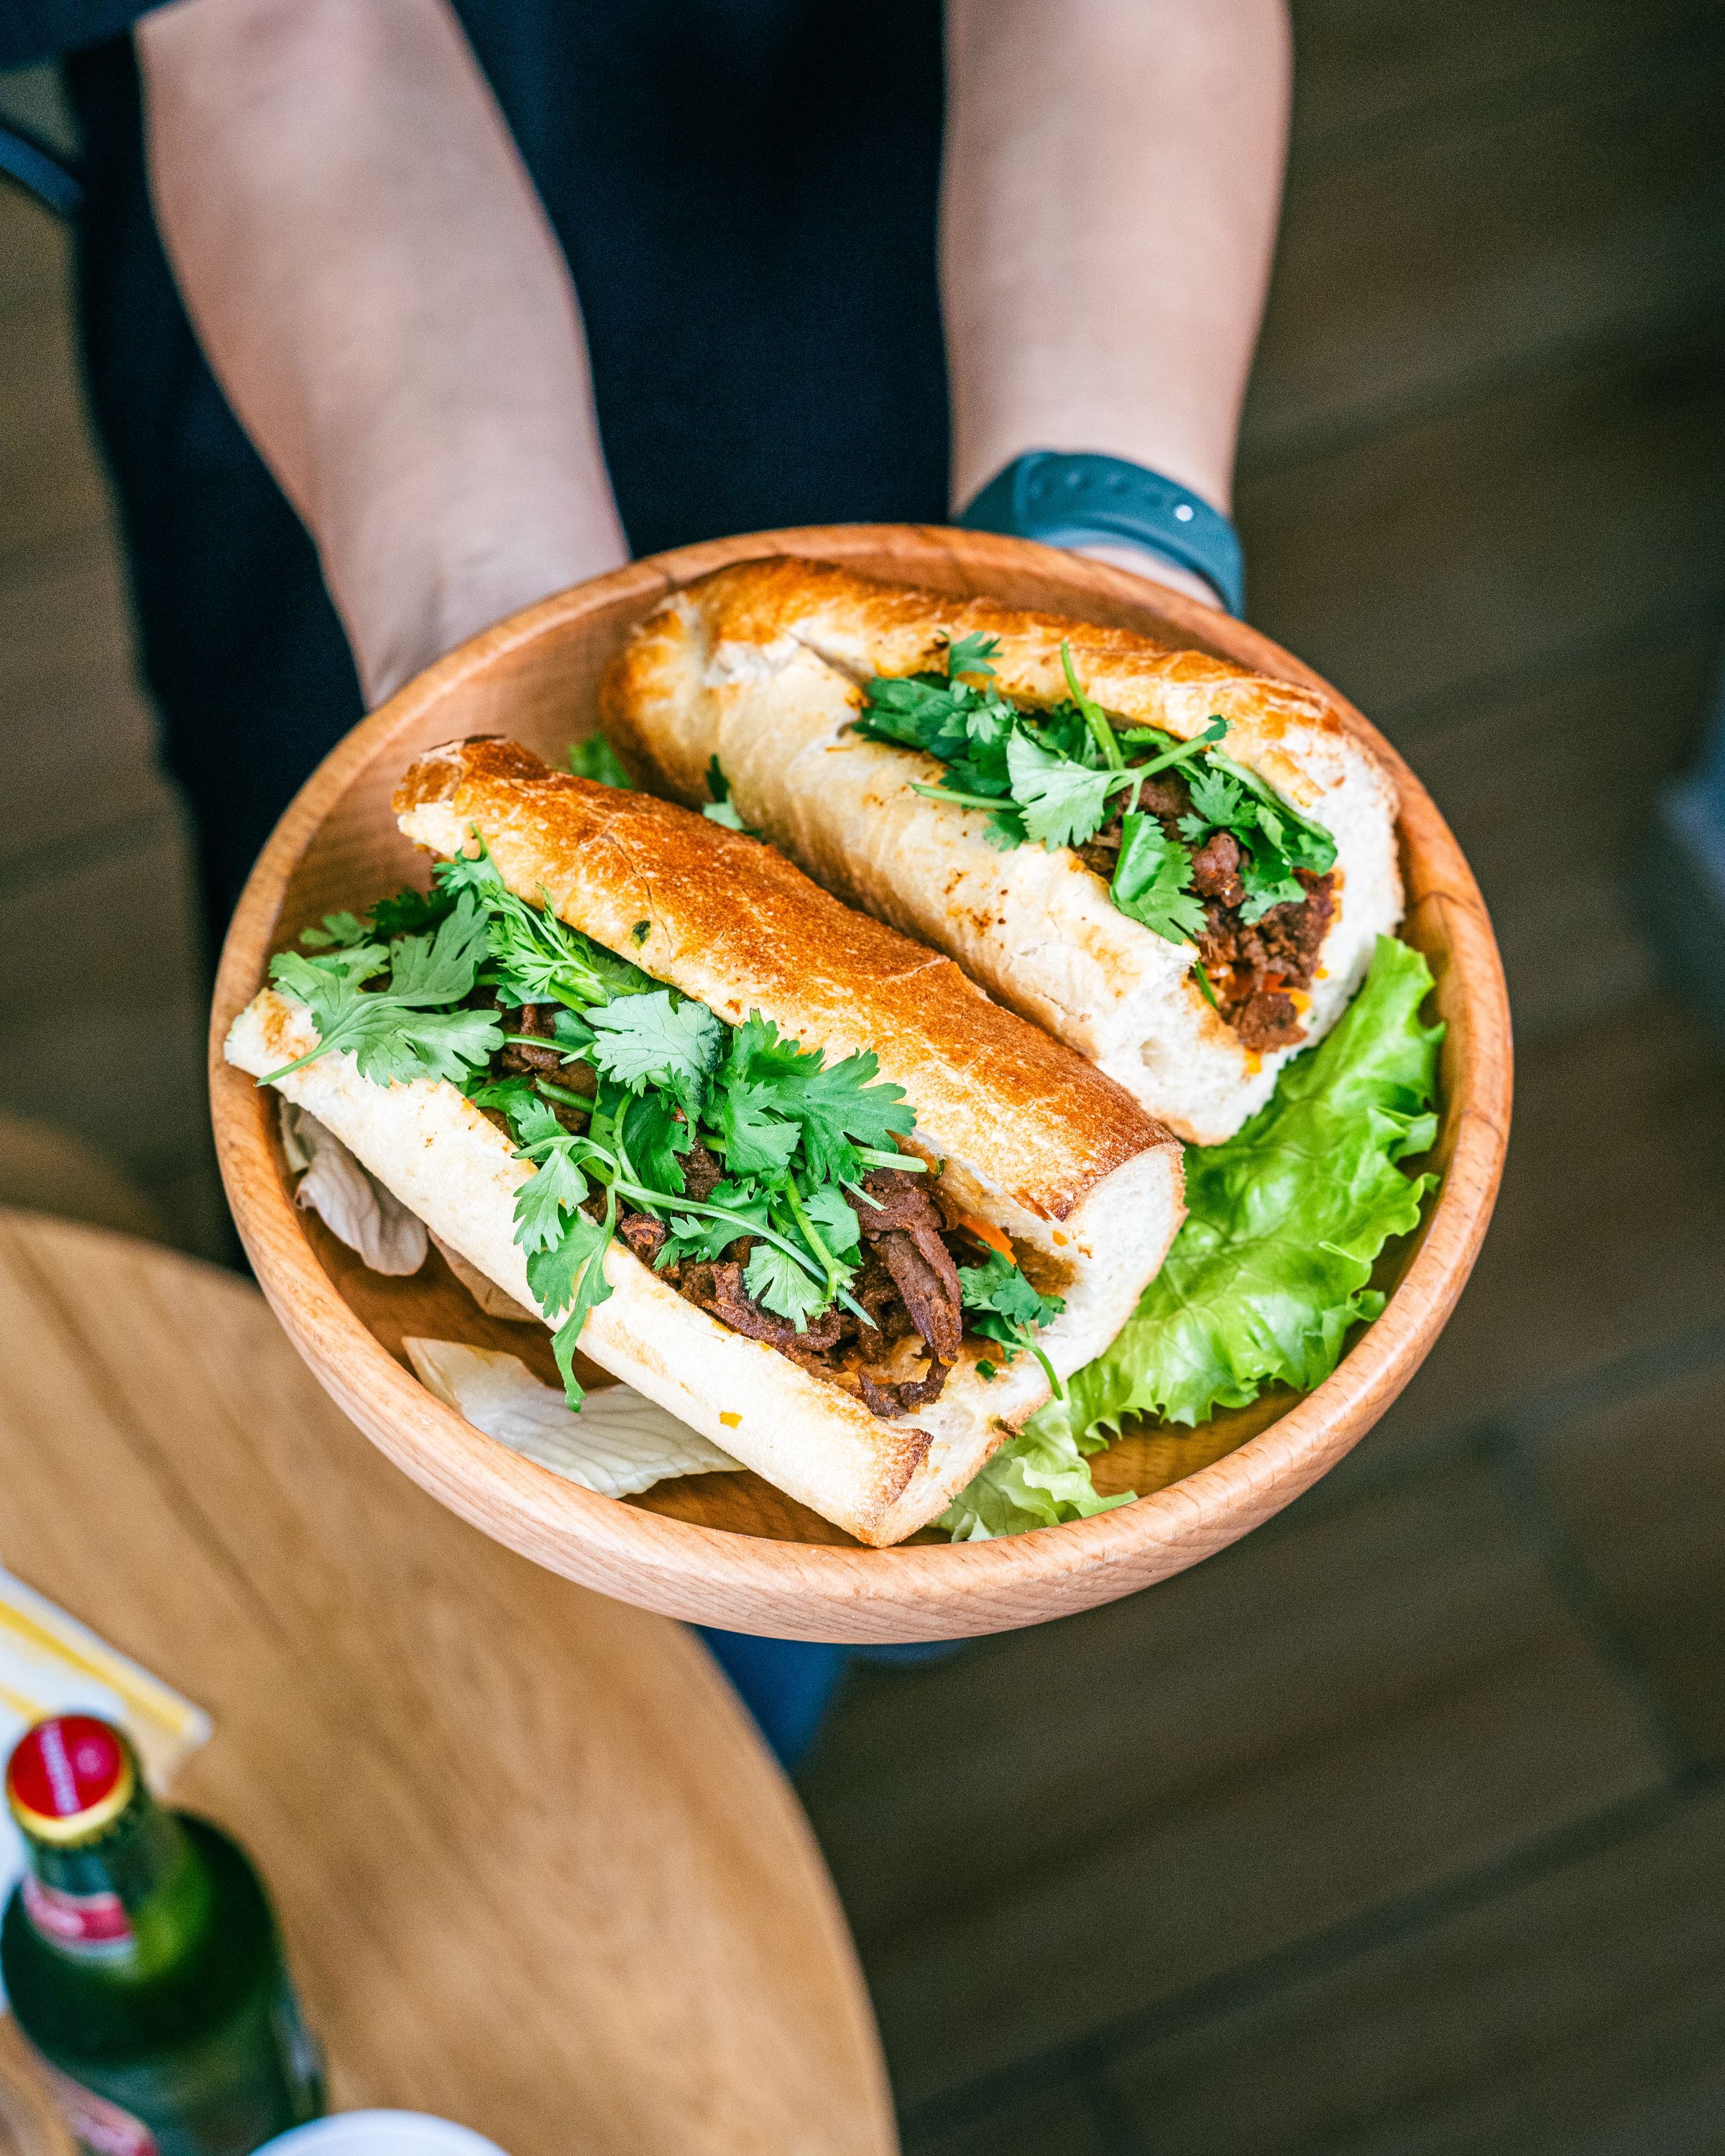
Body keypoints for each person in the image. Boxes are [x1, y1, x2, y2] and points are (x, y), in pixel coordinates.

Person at [6, 0, 1291, 1763]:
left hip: (951, 251)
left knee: (780, 1593)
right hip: (371, 351)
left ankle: (753, 1677)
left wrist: (1098, 550)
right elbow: (285, 35)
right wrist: (493, 646)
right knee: (506, 1567)